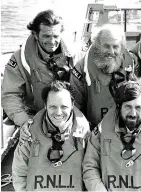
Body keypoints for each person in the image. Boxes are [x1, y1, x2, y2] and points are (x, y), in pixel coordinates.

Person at [82, 73, 141, 191]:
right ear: (118, 107)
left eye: (138, 107)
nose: (133, 113)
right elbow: (90, 167)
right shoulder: (100, 133)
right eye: (128, 107)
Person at [1, 10, 82, 138]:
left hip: (69, 115)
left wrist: (79, 118)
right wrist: (24, 121)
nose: (52, 41)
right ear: (35, 34)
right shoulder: (20, 59)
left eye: (55, 36)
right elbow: (10, 95)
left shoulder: (75, 56)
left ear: (61, 34)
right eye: (46, 36)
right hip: (36, 117)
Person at [12, 81, 90, 191]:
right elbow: (19, 172)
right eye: (53, 107)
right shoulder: (30, 133)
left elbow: (91, 172)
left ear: (72, 105)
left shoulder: (85, 135)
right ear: (45, 106)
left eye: (64, 107)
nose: (58, 113)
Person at [69, 24, 137, 129]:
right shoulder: (81, 68)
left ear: (122, 47)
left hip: (126, 129)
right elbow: (75, 107)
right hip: (95, 131)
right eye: (106, 46)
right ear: (97, 45)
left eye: (115, 46)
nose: (111, 51)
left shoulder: (133, 65)